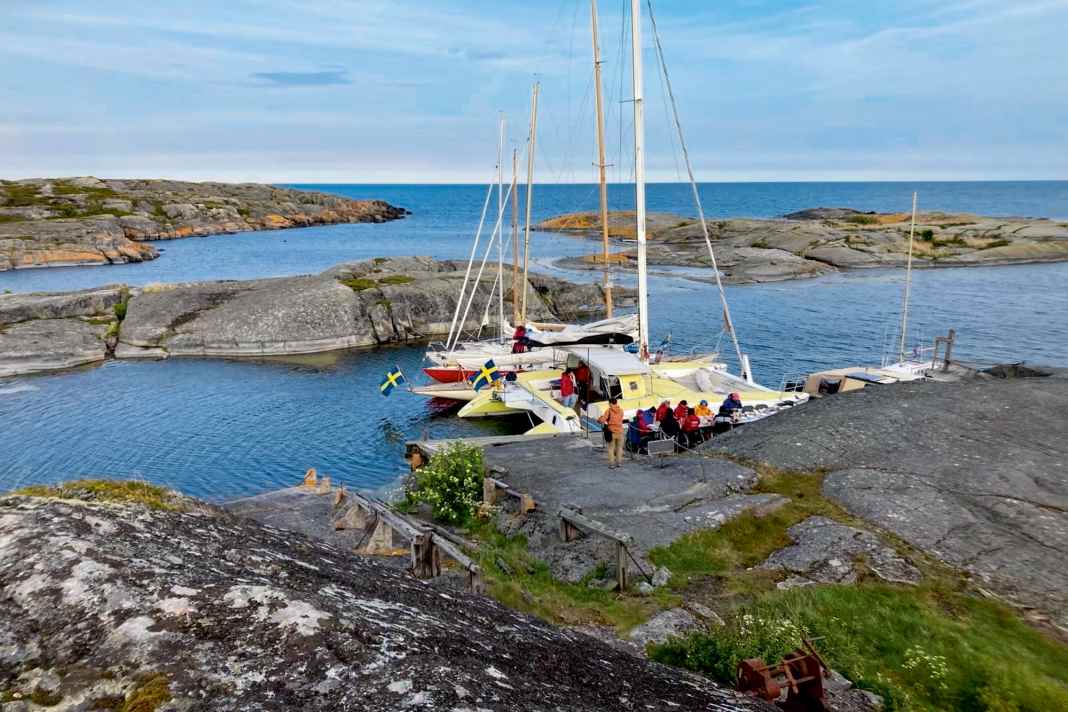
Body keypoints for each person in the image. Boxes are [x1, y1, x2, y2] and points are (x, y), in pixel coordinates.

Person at [597, 397, 626, 468]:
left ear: (610, 403)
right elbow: (620, 419)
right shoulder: (621, 410)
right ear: (616, 402)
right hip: (620, 432)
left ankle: (612, 464)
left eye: (608, 403)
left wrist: (599, 419)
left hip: (612, 432)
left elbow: (602, 420)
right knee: (619, 448)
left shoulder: (608, 411)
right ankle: (619, 463)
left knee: (611, 449)